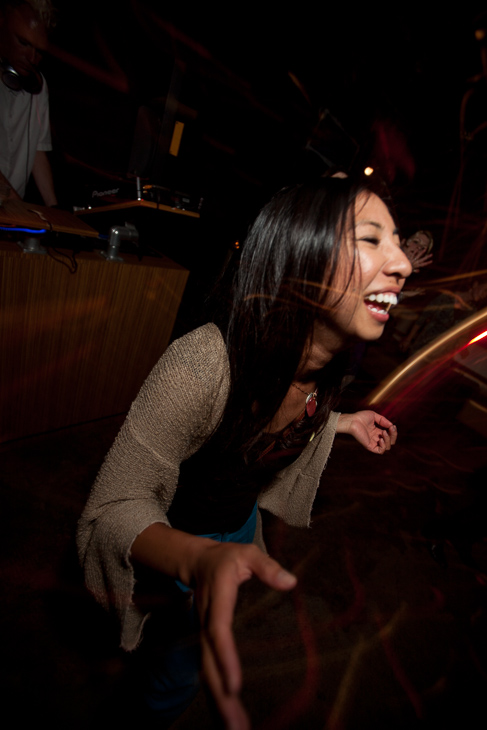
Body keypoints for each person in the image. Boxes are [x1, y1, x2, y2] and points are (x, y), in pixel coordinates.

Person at [77, 177, 412, 729]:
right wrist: (198, 559)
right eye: (372, 240)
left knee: (182, 667)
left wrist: (342, 422)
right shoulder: (201, 366)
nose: (402, 262)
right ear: (301, 258)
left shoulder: (333, 366)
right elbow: (112, 507)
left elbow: (283, 421)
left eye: (396, 240)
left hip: (238, 525)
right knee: (173, 676)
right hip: (174, 539)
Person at [0, 0, 57, 205]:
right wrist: (18, 206)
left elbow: (38, 152)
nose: (32, 58)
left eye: (39, 51)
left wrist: (55, 210)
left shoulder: (37, 88)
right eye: (23, 43)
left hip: (12, 215)